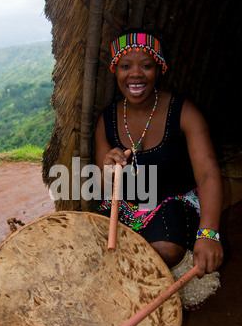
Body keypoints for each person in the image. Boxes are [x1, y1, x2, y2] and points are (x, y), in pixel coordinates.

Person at [95, 29, 224, 281]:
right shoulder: (107, 119)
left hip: (173, 203)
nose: (135, 74)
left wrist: (209, 233)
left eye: (146, 65)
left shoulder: (184, 112)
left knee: (163, 249)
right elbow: (103, 184)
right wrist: (110, 169)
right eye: (125, 66)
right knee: (88, 242)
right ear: (115, 70)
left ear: (159, 68)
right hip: (127, 206)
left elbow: (208, 174)